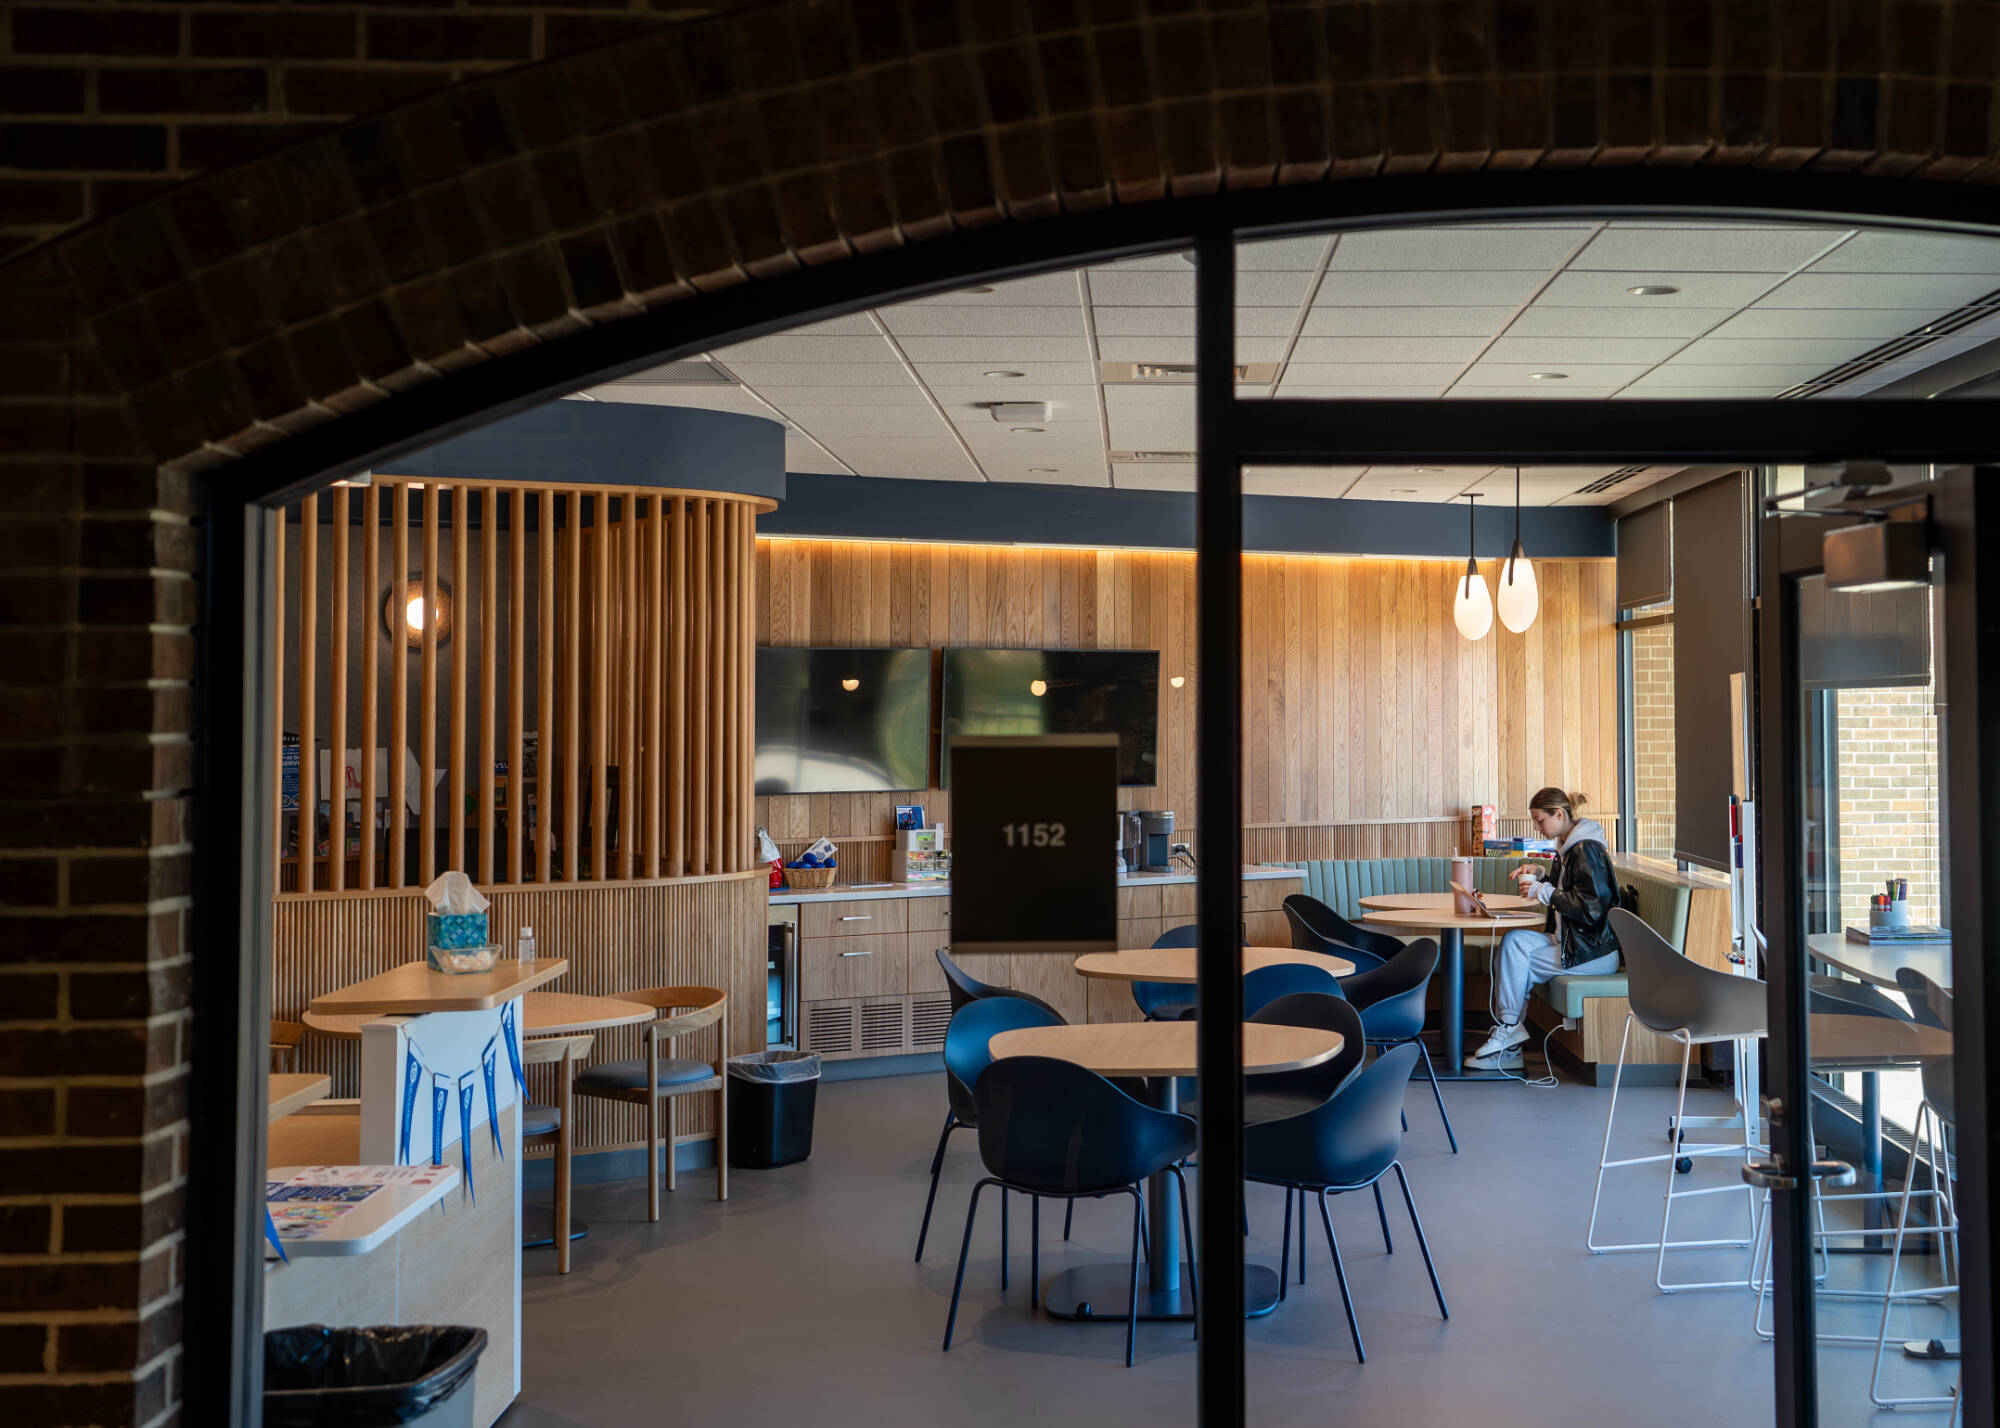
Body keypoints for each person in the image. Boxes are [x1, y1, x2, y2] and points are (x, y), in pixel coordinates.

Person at [1465, 787, 1621, 1068]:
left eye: (1540, 820)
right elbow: (1569, 888)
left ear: (1559, 814)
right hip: (1572, 943)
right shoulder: (1569, 846)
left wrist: (1542, 890)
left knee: (1518, 962)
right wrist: (1540, 874)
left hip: (1592, 952)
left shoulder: (1586, 850)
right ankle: (1510, 1032)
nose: (1537, 828)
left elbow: (1591, 908)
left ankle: (1509, 1033)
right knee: (1514, 942)